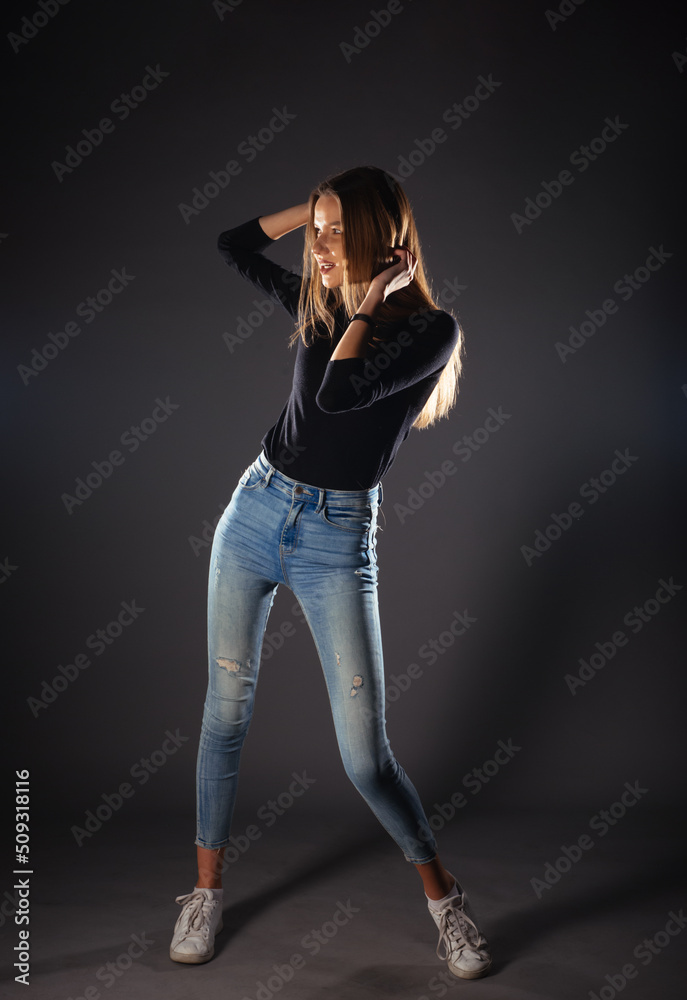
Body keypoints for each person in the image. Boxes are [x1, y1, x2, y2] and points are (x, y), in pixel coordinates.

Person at [169, 165, 491, 980]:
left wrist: (374, 297)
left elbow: (341, 393)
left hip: (335, 540)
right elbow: (233, 243)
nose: (319, 246)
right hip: (254, 512)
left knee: (364, 759)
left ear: (387, 240)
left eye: (337, 230)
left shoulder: (429, 331)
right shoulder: (319, 301)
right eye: (317, 229)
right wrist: (310, 215)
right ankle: (203, 893)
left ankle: (445, 900)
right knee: (224, 712)